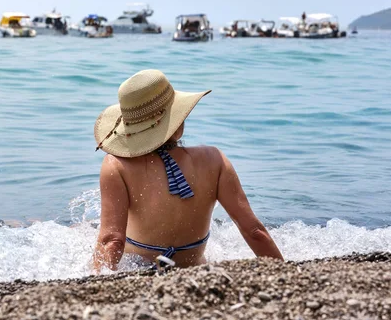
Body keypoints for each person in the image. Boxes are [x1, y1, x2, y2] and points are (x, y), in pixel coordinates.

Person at [92, 70, 283, 271]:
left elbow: (112, 240)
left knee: (86, 230)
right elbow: (254, 231)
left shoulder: (116, 165)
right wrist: (283, 273)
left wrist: (93, 282)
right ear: (176, 121)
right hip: (193, 269)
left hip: (138, 269)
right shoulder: (214, 159)